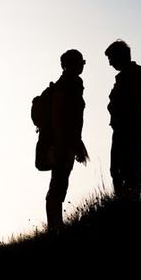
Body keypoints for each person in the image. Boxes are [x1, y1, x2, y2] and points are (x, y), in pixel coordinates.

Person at [42, 49, 89, 232]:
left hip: (65, 143)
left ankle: (56, 226)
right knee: (58, 185)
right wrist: (63, 145)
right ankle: (55, 227)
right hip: (61, 144)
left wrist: (77, 143)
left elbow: (74, 120)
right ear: (70, 65)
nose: (82, 66)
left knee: (60, 183)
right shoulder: (66, 86)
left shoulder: (73, 84)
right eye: (80, 62)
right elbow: (59, 118)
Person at [105, 39, 141, 202]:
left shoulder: (132, 77)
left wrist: (136, 131)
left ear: (120, 56)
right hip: (127, 132)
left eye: (111, 59)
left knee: (127, 172)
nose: (110, 63)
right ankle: (126, 204)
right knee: (124, 171)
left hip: (129, 133)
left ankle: (127, 207)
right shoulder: (130, 76)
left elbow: (134, 106)